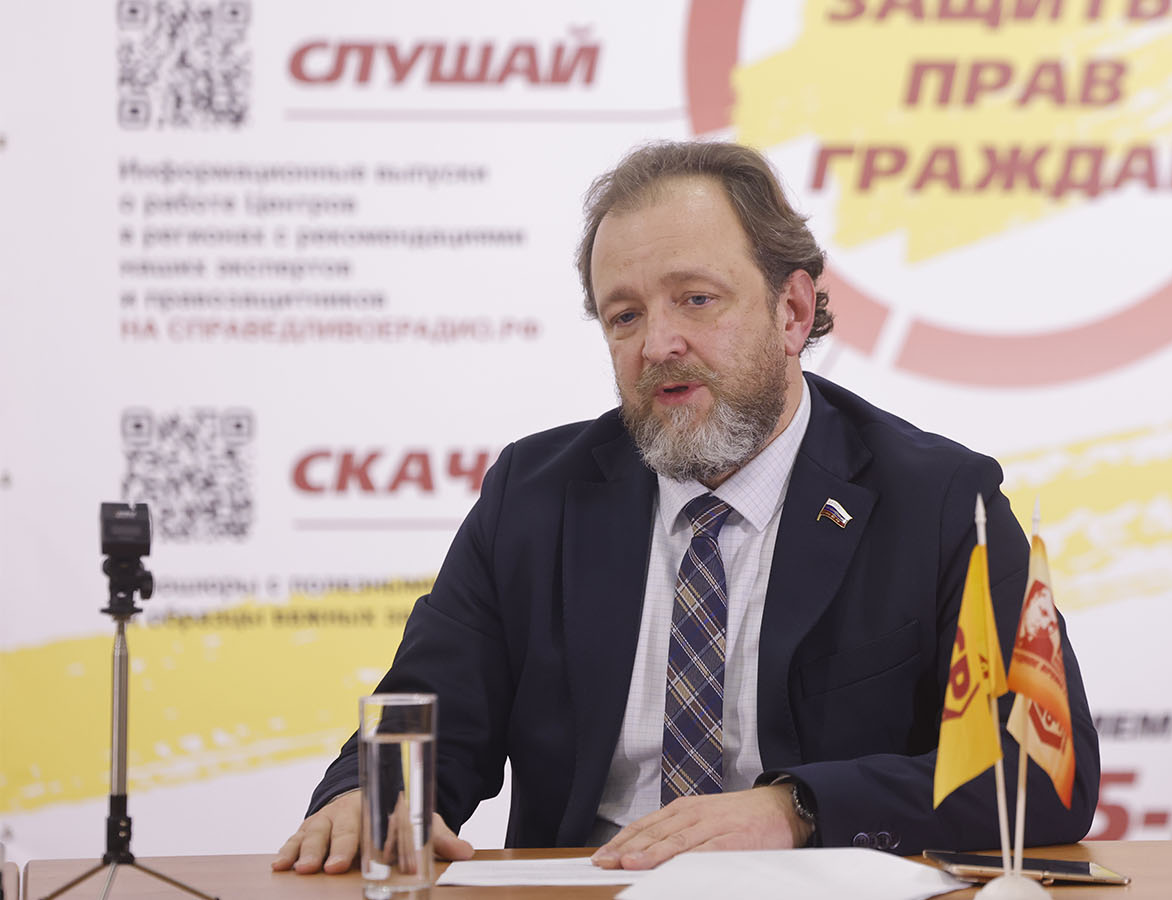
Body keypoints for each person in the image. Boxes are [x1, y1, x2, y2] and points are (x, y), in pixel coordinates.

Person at [272, 141, 1099, 874]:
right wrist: (366, 798)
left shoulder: (938, 500)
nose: (657, 344)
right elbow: (431, 720)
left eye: (696, 299)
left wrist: (797, 810)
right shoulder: (534, 495)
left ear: (792, 311)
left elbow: (1042, 771)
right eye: (625, 315)